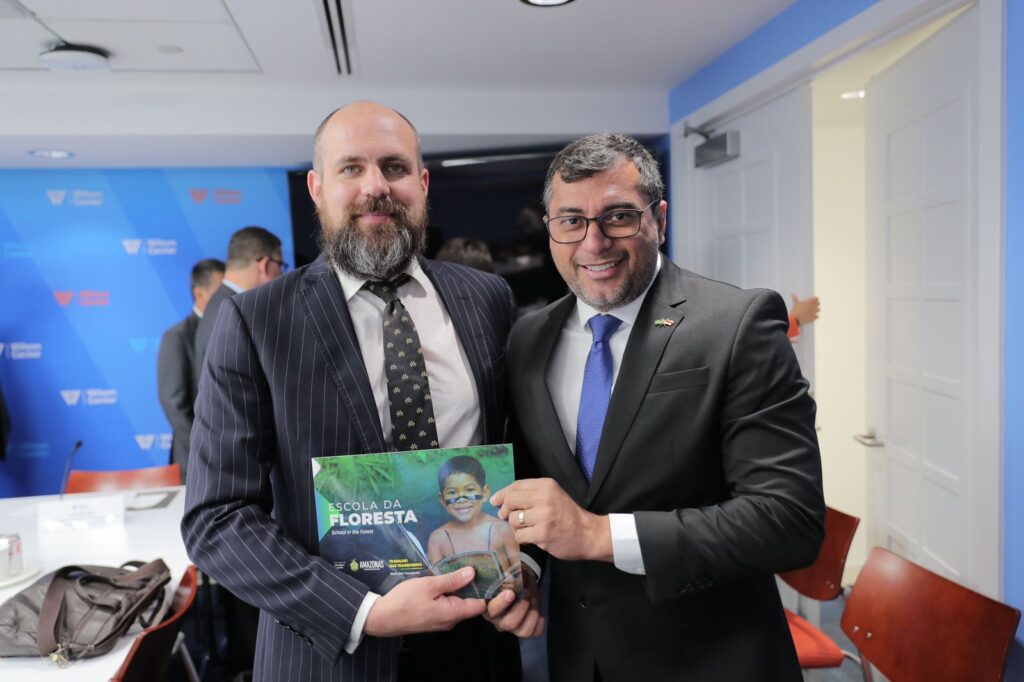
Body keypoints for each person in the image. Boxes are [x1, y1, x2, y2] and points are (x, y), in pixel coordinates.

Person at [181, 101, 521, 682]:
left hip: (478, 640)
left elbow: (517, 456)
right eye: (351, 168)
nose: (375, 186)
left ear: (423, 184)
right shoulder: (256, 320)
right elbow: (216, 518)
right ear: (317, 189)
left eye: (394, 167)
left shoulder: (486, 298)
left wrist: (522, 568)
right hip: (328, 655)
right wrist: (365, 613)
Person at [485, 133, 825, 681]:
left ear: (659, 219)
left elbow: (788, 521)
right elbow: (539, 486)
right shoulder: (528, 339)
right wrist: (524, 568)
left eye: (619, 217)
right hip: (580, 659)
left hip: (711, 661)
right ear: (550, 228)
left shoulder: (736, 325)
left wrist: (599, 535)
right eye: (571, 221)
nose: (594, 243)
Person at [156, 258, 225, 477]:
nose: (226, 297)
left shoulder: (230, 327)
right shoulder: (177, 336)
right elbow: (174, 403)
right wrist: (205, 447)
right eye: (220, 291)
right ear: (199, 294)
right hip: (196, 460)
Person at [192, 225, 285, 377]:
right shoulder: (235, 311)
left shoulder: (220, 304)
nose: (281, 274)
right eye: (280, 265)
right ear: (265, 265)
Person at [427, 456, 520, 592]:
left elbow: (521, 577)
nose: (461, 499)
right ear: (442, 498)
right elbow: (435, 583)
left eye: (470, 490)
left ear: (485, 492)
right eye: (452, 492)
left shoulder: (502, 530)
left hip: (504, 599)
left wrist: (514, 584)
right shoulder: (438, 539)